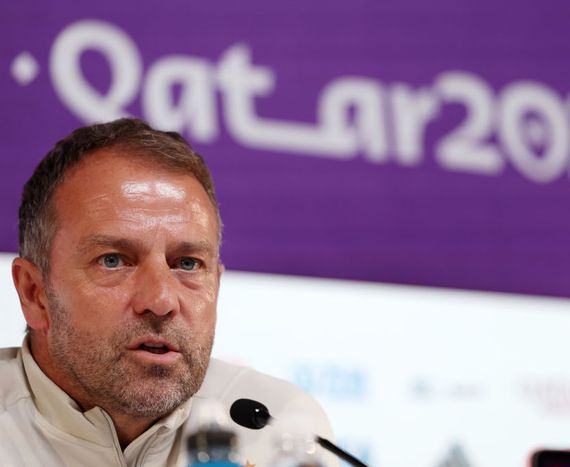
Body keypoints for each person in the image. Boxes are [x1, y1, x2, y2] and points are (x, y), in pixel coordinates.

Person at [0, 118, 339, 466]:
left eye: (187, 264)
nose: (161, 301)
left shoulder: (275, 429)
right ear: (34, 293)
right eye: (113, 260)